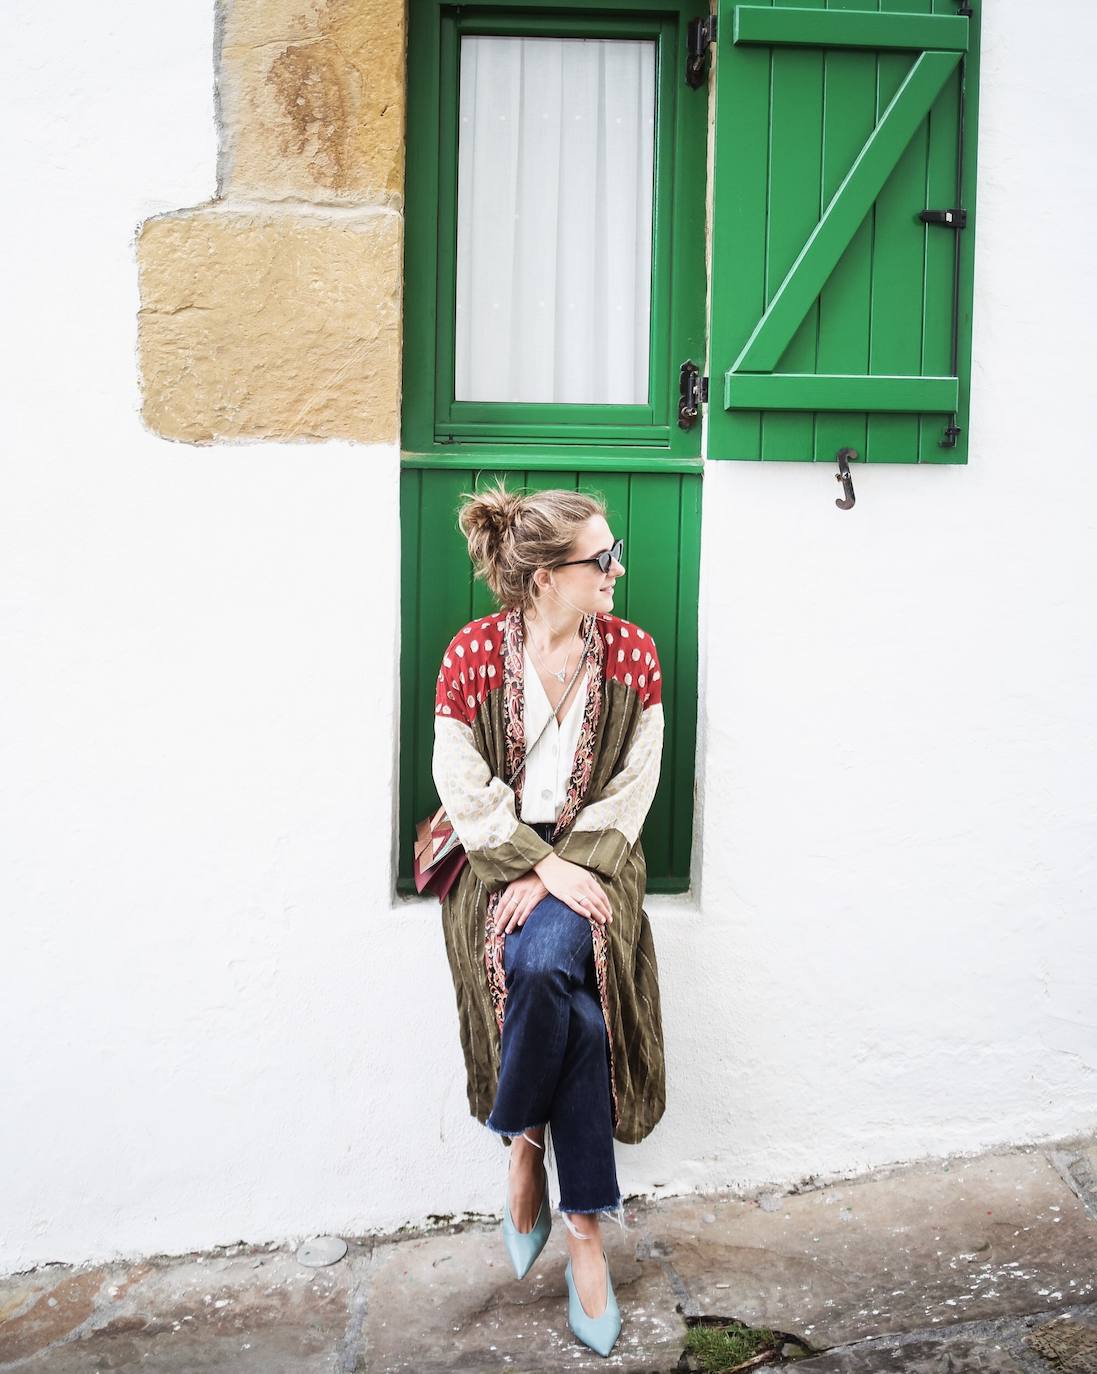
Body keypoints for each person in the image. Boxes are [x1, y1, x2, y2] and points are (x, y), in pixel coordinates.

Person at [431, 477, 667, 1358]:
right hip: (498, 865)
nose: (617, 569)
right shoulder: (469, 655)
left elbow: (634, 785)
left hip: (599, 860)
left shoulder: (632, 654)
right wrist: (536, 864)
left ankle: (523, 1137)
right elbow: (459, 783)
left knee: (543, 964)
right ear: (543, 577)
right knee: (573, 1006)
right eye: (601, 557)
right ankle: (586, 1233)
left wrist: (569, 866)